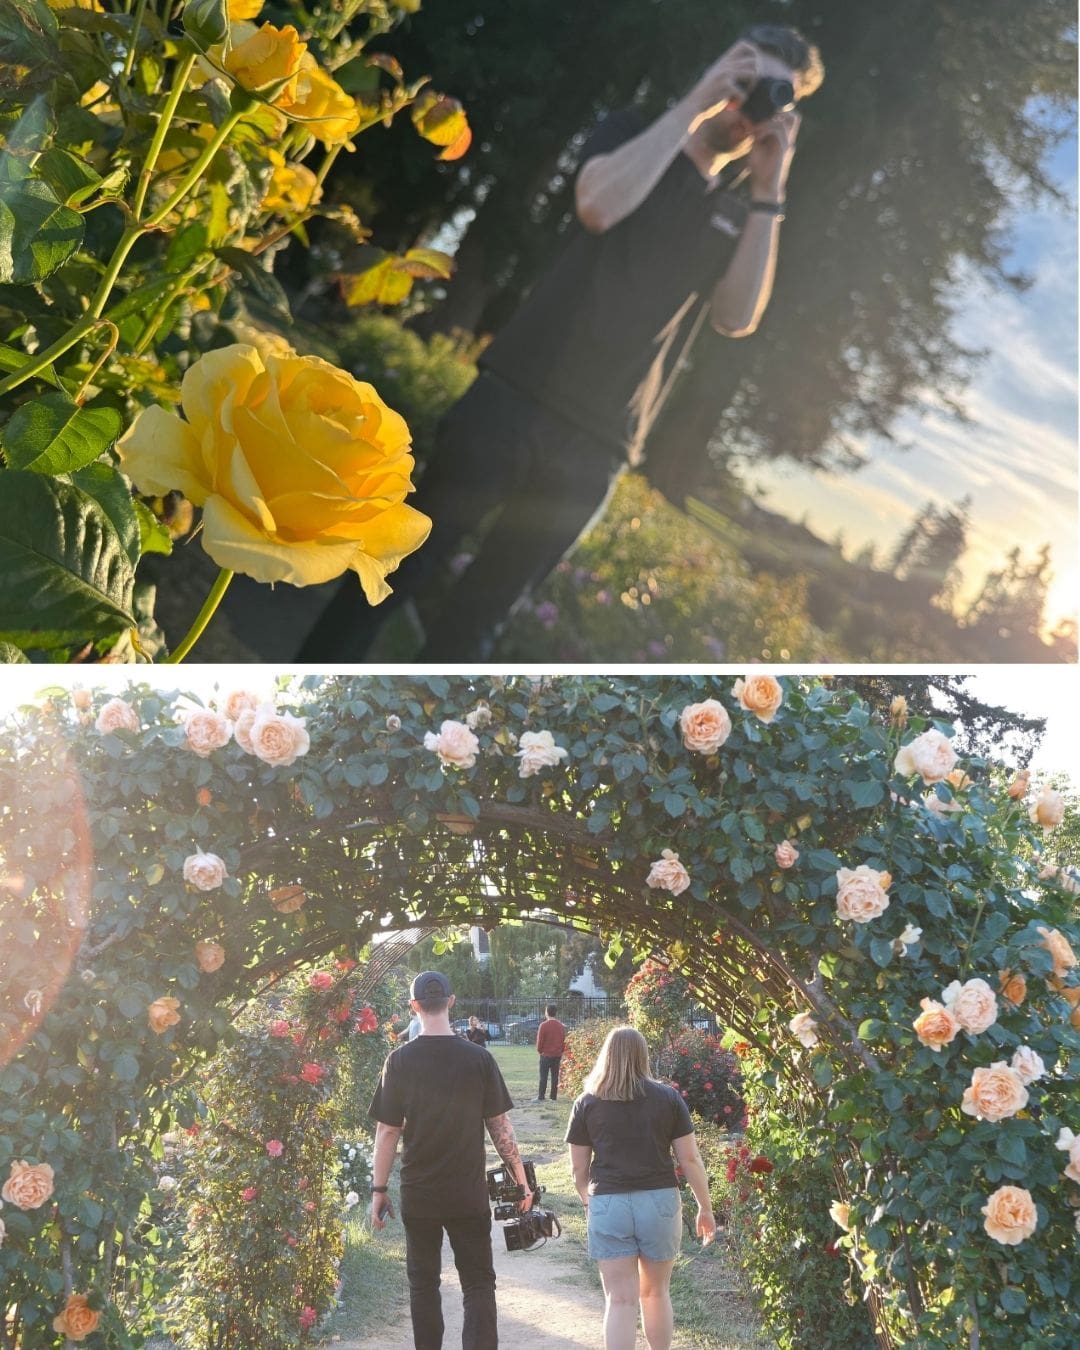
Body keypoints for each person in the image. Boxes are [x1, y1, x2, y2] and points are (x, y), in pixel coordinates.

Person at [297, 23, 824, 663]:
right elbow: (598, 205)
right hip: (514, 396)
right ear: (719, 72)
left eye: (776, 97)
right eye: (749, 81)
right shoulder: (631, 133)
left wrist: (771, 190)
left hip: (600, 442)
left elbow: (736, 317)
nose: (754, 107)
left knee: (476, 627)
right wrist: (696, 105)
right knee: (393, 573)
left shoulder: (743, 216)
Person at [369, 971, 533, 1350]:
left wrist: (379, 1189)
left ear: (414, 1006)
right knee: (477, 1281)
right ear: (452, 1002)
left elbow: (388, 1132)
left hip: (420, 1193)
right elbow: (500, 1127)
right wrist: (521, 1181)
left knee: (423, 1283)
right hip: (467, 1192)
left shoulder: (398, 1061)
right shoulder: (478, 1058)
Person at [565, 1026, 715, 1350]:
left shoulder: (587, 1101)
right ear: (643, 1055)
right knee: (656, 1292)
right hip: (658, 1202)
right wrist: (705, 1206)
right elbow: (689, 1159)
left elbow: (578, 1167)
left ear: (607, 1055)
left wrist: (587, 1200)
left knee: (619, 1300)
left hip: (608, 1202)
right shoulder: (668, 1098)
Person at [534, 1003, 567, 1102]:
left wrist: (540, 1051)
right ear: (555, 1013)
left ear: (547, 1012)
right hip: (557, 1055)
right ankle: (553, 1097)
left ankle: (541, 1096)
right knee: (554, 1077)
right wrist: (560, 1051)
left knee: (543, 1076)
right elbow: (563, 1040)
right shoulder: (561, 1026)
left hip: (546, 1055)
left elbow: (540, 1041)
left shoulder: (543, 1025)